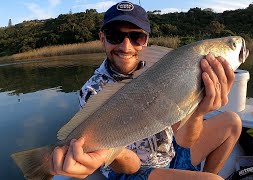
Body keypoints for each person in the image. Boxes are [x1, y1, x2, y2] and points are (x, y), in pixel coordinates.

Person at [49, 1, 242, 179]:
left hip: (169, 151)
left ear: (146, 40)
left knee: (233, 122)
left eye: (136, 37)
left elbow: (184, 140)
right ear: (102, 38)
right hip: (134, 170)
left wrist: (199, 111)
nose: (126, 46)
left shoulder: (165, 67)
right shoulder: (93, 90)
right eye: (115, 36)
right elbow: (129, 165)